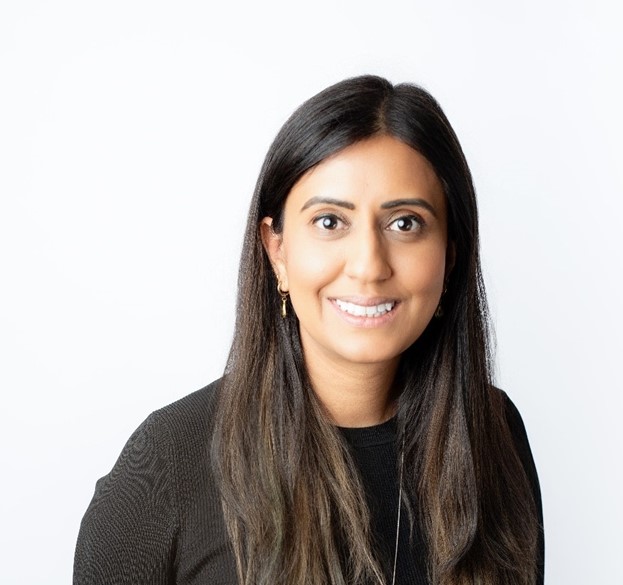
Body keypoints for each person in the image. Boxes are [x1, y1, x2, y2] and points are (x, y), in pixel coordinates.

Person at [74, 75, 544, 585]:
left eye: (405, 223)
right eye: (329, 222)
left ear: (449, 257)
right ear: (277, 250)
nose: (368, 265)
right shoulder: (167, 464)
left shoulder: (492, 435)